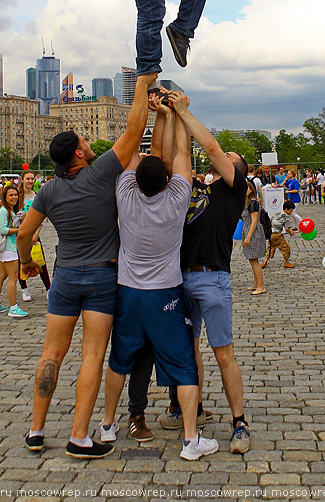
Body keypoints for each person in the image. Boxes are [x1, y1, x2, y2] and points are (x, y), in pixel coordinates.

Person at [17, 71, 157, 460]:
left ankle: (36, 430)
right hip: (101, 275)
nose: (88, 142)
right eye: (83, 141)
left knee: (51, 354)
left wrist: (27, 263)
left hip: (64, 277)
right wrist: (144, 82)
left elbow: (24, 234)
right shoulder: (100, 174)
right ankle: (79, 436)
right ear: (78, 154)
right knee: (92, 354)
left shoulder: (48, 190)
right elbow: (133, 131)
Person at [101, 92, 219, 461]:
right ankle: (189, 440)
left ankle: (107, 425)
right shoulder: (176, 198)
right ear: (167, 179)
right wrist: (178, 114)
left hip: (128, 291)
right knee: (184, 366)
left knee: (119, 361)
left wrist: (152, 116)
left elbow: (133, 148)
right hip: (165, 293)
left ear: (135, 177)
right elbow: (181, 156)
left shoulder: (124, 192)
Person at [159, 92, 251, 453]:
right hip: (181, 276)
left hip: (213, 277)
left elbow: (211, 148)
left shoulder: (234, 189)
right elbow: (171, 159)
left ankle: (239, 422)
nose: (223, 156)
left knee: (222, 352)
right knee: (189, 350)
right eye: (226, 155)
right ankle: (192, 409)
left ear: (237, 170)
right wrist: (170, 116)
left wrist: (185, 111)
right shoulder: (196, 186)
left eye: (232, 158)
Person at [0, 184, 27, 318]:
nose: (14, 197)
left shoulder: (11, 210)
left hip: (8, 248)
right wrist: (19, 230)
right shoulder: (4, 211)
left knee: (2, 276)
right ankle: (13, 307)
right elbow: (3, 230)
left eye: (15, 195)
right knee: (13, 277)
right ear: (5, 197)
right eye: (10, 195)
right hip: (8, 248)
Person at [17, 170, 50, 302]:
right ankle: (24, 288)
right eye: (28, 179)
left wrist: (35, 235)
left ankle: (48, 288)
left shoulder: (37, 196)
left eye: (32, 179)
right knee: (21, 261)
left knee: (40, 261)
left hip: (34, 233)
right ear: (22, 180)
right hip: (19, 233)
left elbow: (40, 218)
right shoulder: (18, 197)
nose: (30, 181)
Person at [241, 181, 267, 294]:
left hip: (253, 232)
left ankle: (261, 286)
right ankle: (256, 283)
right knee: (252, 259)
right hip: (247, 230)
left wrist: (248, 237)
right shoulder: (245, 203)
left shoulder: (253, 203)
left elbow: (254, 221)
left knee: (254, 260)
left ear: (251, 190)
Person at [262, 200, 297, 269]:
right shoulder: (286, 217)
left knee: (270, 248)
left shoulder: (277, 214)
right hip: (276, 235)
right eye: (291, 210)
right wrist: (291, 233)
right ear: (286, 209)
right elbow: (287, 228)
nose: (291, 212)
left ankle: (265, 262)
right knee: (286, 248)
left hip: (270, 234)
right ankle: (286, 262)